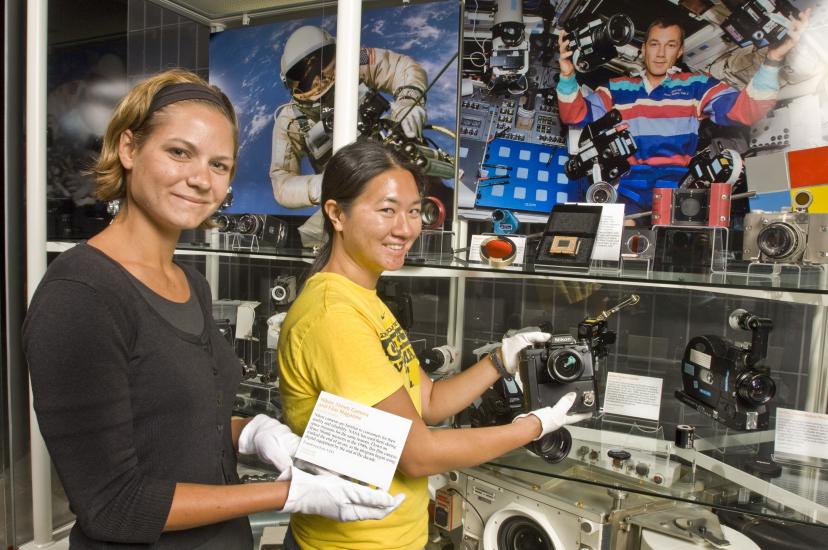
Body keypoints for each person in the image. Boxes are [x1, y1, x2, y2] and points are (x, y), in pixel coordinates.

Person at [23, 69, 403, 549]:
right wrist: (286, 493)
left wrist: (250, 432)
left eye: (219, 165)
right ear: (128, 149)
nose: (201, 180)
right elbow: (113, 505)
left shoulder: (192, 285)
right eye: (179, 152)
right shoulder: (80, 296)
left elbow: (172, 427)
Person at [276, 140, 588, 550]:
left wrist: (500, 359)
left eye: (413, 210)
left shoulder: (363, 299)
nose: (405, 228)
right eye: (386, 210)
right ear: (337, 214)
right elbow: (418, 454)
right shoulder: (334, 316)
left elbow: (430, 400)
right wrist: (532, 427)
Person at [556, 12, 811, 214]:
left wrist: (773, 60)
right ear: (643, 49)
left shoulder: (697, 85)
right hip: (628, 190)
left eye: (670, 45)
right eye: (654, 44)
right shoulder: (617, 87)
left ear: (679, 52)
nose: (660, 53)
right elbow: (575, 116)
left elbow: (744, 111)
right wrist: (568, 75)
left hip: (676, 193)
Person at [270, 25, 428, 246]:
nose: (318, 80)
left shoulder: (354, 60)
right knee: (306, 240)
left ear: (336, 53)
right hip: (351, 194)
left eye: (320, 64)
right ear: (291, 83)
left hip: (397, 165)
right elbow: (282, 183)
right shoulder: (291, 120)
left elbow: (402, 67)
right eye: (305, 76)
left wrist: (409, 102)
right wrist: (321, 185)